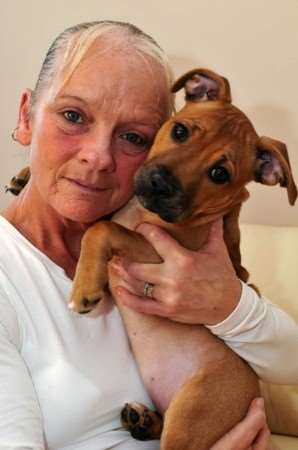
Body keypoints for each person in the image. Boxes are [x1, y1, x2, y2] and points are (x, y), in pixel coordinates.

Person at [1, 20, 296, 450]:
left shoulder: (170, 243)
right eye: (73, 116)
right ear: (26, 116)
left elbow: (288, 362)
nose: (98, 157)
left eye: (133, 136)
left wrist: (229, 303)